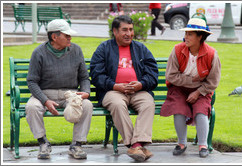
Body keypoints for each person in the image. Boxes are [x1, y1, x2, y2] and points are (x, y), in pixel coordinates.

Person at [90, 15, 159, 162]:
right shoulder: (104, 48)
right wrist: (115, 86)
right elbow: (96, 75)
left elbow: (153, 74)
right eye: (124, 30)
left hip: (138, 91)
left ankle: (136, 146)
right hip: (113, 91)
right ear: (115, 31)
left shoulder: (141, 49)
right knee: (117, 104)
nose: (129, 33)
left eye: (131, 29)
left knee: (148, 103)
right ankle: (136, 144)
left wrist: (141, 84)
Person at [25, 19, 93, 160]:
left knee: (87, 105)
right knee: (32, 107)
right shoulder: (39, 53)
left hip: (70, 94)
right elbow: (32, 81)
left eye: (69, 35)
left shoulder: (76, 50)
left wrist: (86, 92)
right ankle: (43, 143)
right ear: (54, 37)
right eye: (66, 35)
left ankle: (77, 145)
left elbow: (84, 77)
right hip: (44, 94)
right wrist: (45, 101)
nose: (70, 38)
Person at [160, 16, 221, 158]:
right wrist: (191, 80)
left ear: (200, 37)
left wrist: (198, 91)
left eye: (190, 34)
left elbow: (213, 82)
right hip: (178, 88)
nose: (185, 37)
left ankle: (203, 145)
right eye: (185, 33)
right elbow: (171, 76)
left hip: (202, 90)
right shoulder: (177, 50)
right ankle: (182, 143)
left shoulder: (212, 54)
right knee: (179, 108)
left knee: (201, 110)